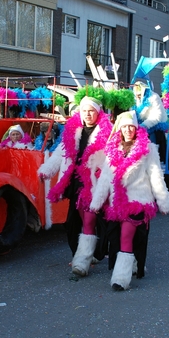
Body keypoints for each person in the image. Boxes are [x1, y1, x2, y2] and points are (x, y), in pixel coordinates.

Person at [90, 110, 169, 290]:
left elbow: (156, 175)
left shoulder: (147, 148)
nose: (128, 130)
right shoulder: (112, 150)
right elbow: (105, 178)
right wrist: (97, 201)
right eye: (124, 127)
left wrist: (163, 201)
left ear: (136, 128)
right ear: (119, 129)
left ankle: (120, 279)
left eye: (131, 127)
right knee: (118, 239)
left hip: (138, 201)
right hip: (116, 202)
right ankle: (131, 264)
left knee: (126, 235)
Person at [37, 96, 112, 276]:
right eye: (84, 111)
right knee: (73, 223)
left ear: (98, 112)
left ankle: (81, 262)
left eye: (91, 111)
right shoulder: (73, 131)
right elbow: (59, 154)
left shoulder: (107, 132)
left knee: (89, 220)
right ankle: (87, 252)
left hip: (94, 183)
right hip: (75, 183)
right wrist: (46, 170)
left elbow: (113, 157)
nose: (87, 114)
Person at [132, 80, 168, 163]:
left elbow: (157, 116)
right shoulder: (135, 99)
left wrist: (143, 126)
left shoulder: (154, 97)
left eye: (139, 95)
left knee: (152, 150)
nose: (138, 97)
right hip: (140, 129)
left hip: (155, 129)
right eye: (136, 95)